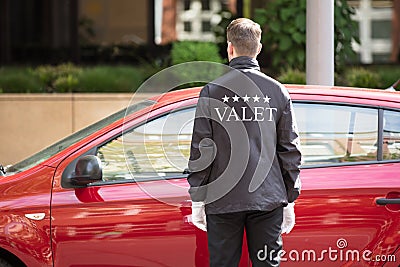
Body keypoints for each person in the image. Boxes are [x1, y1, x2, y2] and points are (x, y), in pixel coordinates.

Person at [187, 18, 302, 267]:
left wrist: (197, 197)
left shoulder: (212, 90)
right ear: (258, 49)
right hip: (268, 197)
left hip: (223, 198)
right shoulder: (278, 91)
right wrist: (290, 197)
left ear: (230, 48)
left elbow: (202, 148)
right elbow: (289, 148)